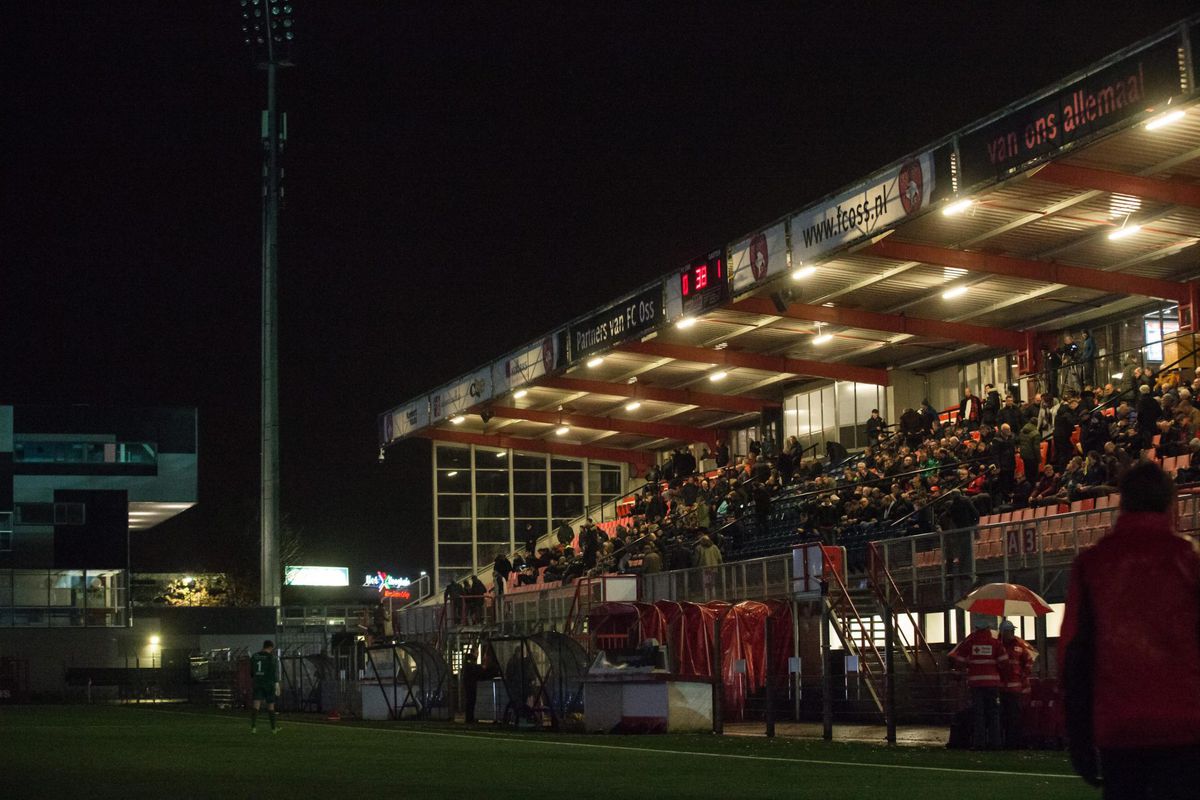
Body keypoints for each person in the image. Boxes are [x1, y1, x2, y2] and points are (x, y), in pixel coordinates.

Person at [1060, 462, 1200, 795]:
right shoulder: (1191, 561)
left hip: (1119, 729)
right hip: (1187, 728)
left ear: (1121, 503)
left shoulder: (1092, 564)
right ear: (1171, 504)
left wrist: (1079, 737)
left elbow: (1075, 657)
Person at [949, 616, 1008, 749]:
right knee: (993, 713)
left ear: (975, 629)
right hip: (992, 684)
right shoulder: (996, 643)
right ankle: (995, 743)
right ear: (988, 628)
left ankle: (979, 743)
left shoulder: (969, 643)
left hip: (975, 684)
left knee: (978, 713)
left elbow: (959, 661)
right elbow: (1004, 663)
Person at [998, 620, 1037, 749]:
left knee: (1014, 716)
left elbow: (1029, 661)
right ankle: (1007, 741)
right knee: (1005, 716)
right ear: (1003, 632)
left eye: (1013, 631)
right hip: (1002, 687)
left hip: (1015, 687)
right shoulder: (998, 645)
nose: (1013, 633)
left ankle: (1014, 742)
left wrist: (1023, 675)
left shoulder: (1019, 645)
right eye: (1010, 631)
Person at [249, 640, 280, 734]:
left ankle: (253, 727)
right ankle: (273, 728)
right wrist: (276, 684)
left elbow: (251, 671)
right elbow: (273, 671)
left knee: (256, 705)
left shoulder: (254, 656)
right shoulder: (271, 657)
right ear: (270, 647)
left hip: (258, 682)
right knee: (270, 705)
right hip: (268, 683)